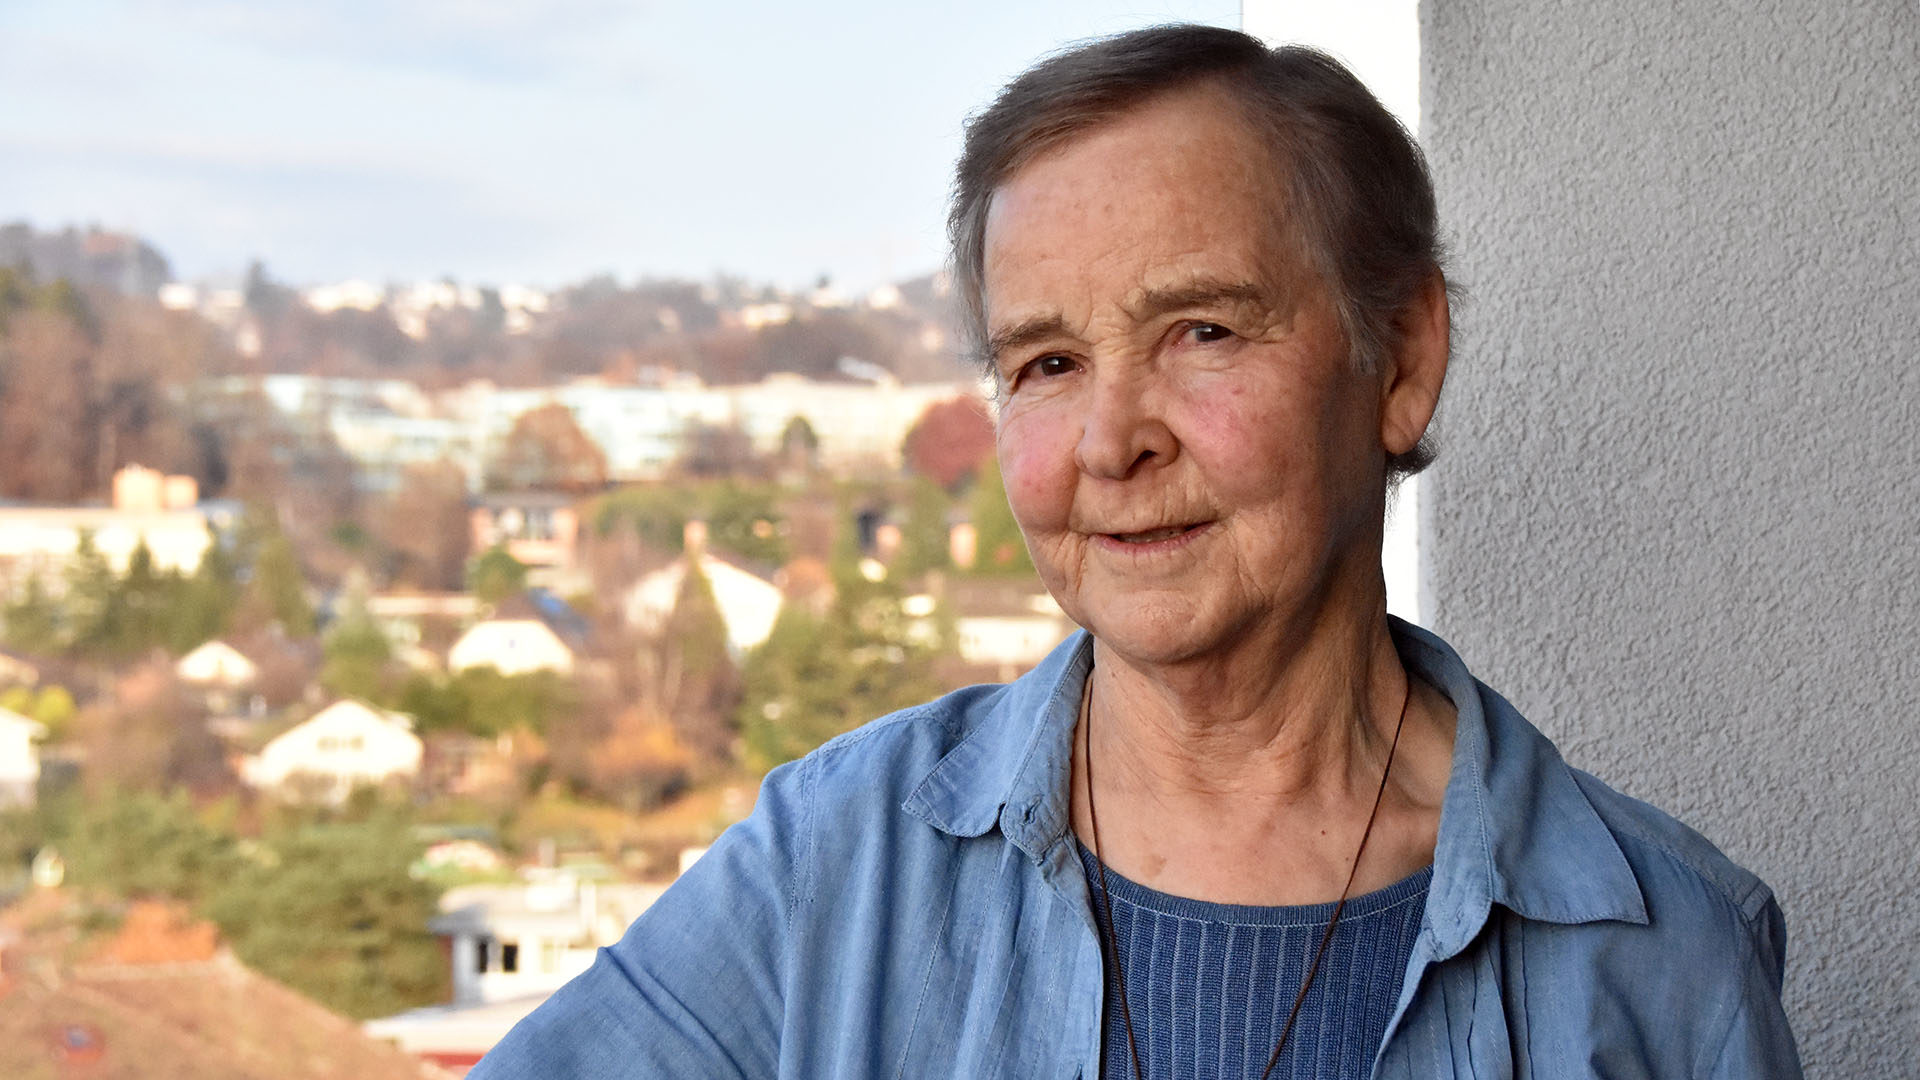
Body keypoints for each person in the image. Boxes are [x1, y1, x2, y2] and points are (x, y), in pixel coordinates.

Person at [471, 25, 1801, 1079]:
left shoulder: (1662, 952)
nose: (1112, 441)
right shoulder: (832, 870)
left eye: (1203, 332)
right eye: (1045, 362)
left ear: (1401, 359)